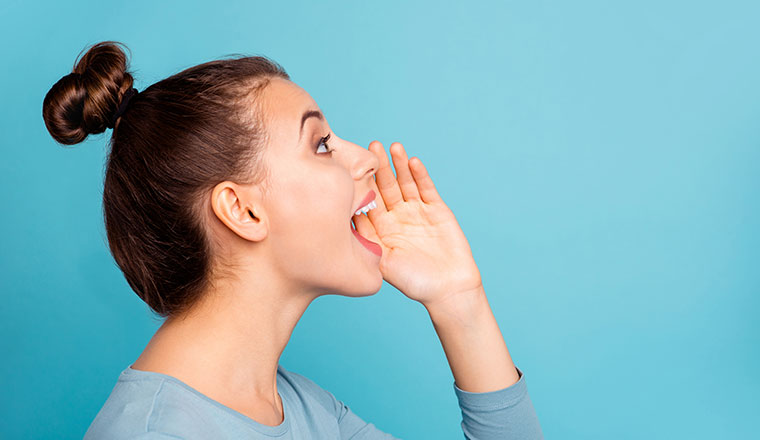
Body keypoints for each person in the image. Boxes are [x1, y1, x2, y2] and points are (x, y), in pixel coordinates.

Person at [42, 41, 544, 439]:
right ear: (243, 210)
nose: (365, 160)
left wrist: (460, 303)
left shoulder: (304, 411)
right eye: (322, 145)